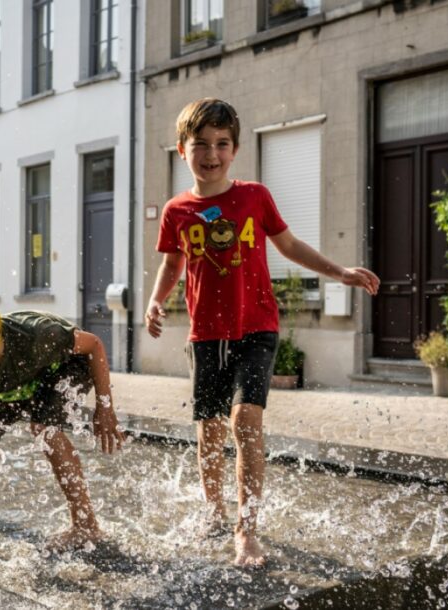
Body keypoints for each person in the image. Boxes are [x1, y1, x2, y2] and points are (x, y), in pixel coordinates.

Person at [144, 98, 381, 568]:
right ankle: (213, 508)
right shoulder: (177, 210)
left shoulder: (254, 196)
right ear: (181, 150)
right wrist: (155, 300)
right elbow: (172, 263)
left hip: (256, 327)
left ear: (234, 150)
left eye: (222, 144)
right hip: (205, 334)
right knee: (209, 429)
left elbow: (289, 244)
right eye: (201, 145)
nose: (211, 154)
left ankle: (245, 528)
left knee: (244, 421)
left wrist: (339, 272)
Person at [0, 261, 124, 552]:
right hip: (16, 387)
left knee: (44, 430)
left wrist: (105, 408)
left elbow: (94, 346)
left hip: (63, 370)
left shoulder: (37, 334)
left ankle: (85, 524)